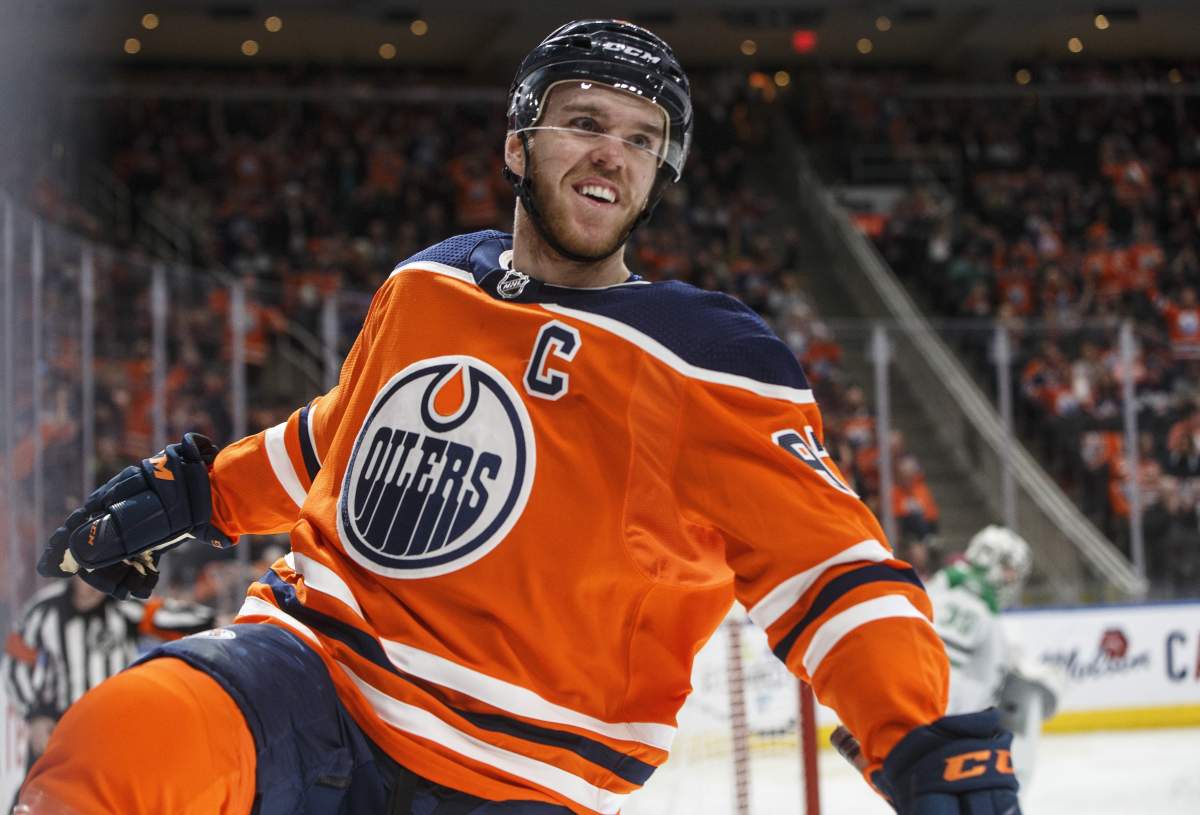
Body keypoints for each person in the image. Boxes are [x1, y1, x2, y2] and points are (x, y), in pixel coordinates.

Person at [21, 20, 1020, 815]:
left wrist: (912, 728)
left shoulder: (707, 355)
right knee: (118, 741)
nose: (612, 153)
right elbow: (336, 438)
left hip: (519, 775)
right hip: (308, 673)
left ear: (658, 177)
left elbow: (829, 566)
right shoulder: (429, 281)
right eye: (584, 120)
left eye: (642, 139)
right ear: (519, 140)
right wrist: (200, 493)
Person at [3, 579, 214, 812]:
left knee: (117, 800)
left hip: (112, 728)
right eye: (89, 574)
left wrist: (213, 620)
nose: (95, 584)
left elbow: (191, 620)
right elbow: (15, 664)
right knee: (37, 800)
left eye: (103, 573)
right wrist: (35, 716)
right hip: (58, 728)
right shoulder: (44, 609)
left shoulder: (125, 606)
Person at [926, 525, 1060, 793]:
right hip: (945, 723)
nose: (1012, 579)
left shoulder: (941, 584)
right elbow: (980, 677)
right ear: (990, 561)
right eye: (1009, 569)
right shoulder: (979, 606)